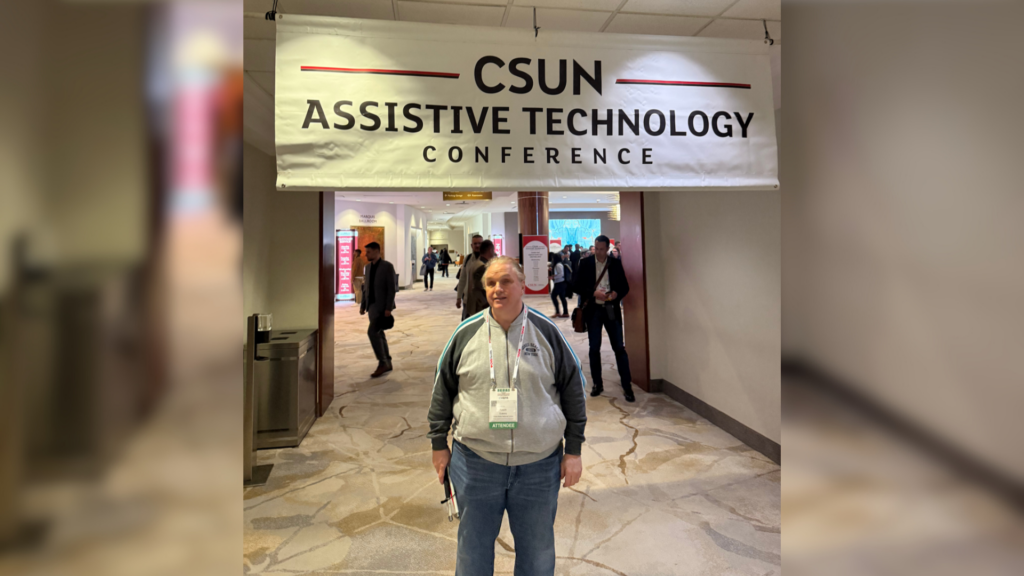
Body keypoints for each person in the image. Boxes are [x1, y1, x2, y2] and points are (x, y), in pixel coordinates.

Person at [428, 256, 587, 576]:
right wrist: (438, 443)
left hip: (538, 465)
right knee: (472, 551)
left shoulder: (546, 332)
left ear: (522, 285)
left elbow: (574, 392)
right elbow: (442, 390)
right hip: (475, 461)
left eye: (505, 282)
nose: (497, 289)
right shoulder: (466, 333)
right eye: (490, 283)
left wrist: (573, 450)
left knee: (537, 552)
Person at [572, 235, 633, 402]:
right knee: (594, 349)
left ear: (607, 248)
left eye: (601, 249)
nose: (598, 252)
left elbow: (625, 286)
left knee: (619, 348)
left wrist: (616, 294)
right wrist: (593, 293)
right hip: (593, 311)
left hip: (611, 309)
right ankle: (597, 384)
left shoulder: (615, 263)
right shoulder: (585, 264)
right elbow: (575, 285)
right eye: (596, 248)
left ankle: (627, 386)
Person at [359, 242, 396, 378]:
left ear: (376, 252)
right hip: (371, 307)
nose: (366, 254)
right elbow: (365, 288)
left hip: (382, 307)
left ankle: (383, 362)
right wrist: (363, 305)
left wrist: (388, 307)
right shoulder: (367, 268)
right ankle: (387, 362)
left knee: (372, 332)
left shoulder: (387, 267)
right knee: (379, 334)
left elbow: (392, 289)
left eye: (368, 252)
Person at [464, 240, 495, 317]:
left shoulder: (475, 263)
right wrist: (486, 305)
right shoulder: (482, 266)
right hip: (479, 307)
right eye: (493, 250)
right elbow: (478, 289)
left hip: (473, 304)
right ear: (490, 250)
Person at [456, 235, 484, 320]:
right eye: (475, 243)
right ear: (471, 245)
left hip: (483, 302)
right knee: (467, 325)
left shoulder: (489, 259)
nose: (477, 245)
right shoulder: (467, 259)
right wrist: (458, 297)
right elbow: (462, 279)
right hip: (468, 300)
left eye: (480, 243)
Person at [548, 252, 569, 319]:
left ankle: (558, 312)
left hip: (559, 283)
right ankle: (565, 312)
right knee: (562, 298)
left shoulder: (558, 265)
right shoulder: (558, 265)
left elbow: (561, 274)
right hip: (561, 283)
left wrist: (553, 277)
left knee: (553, 296)